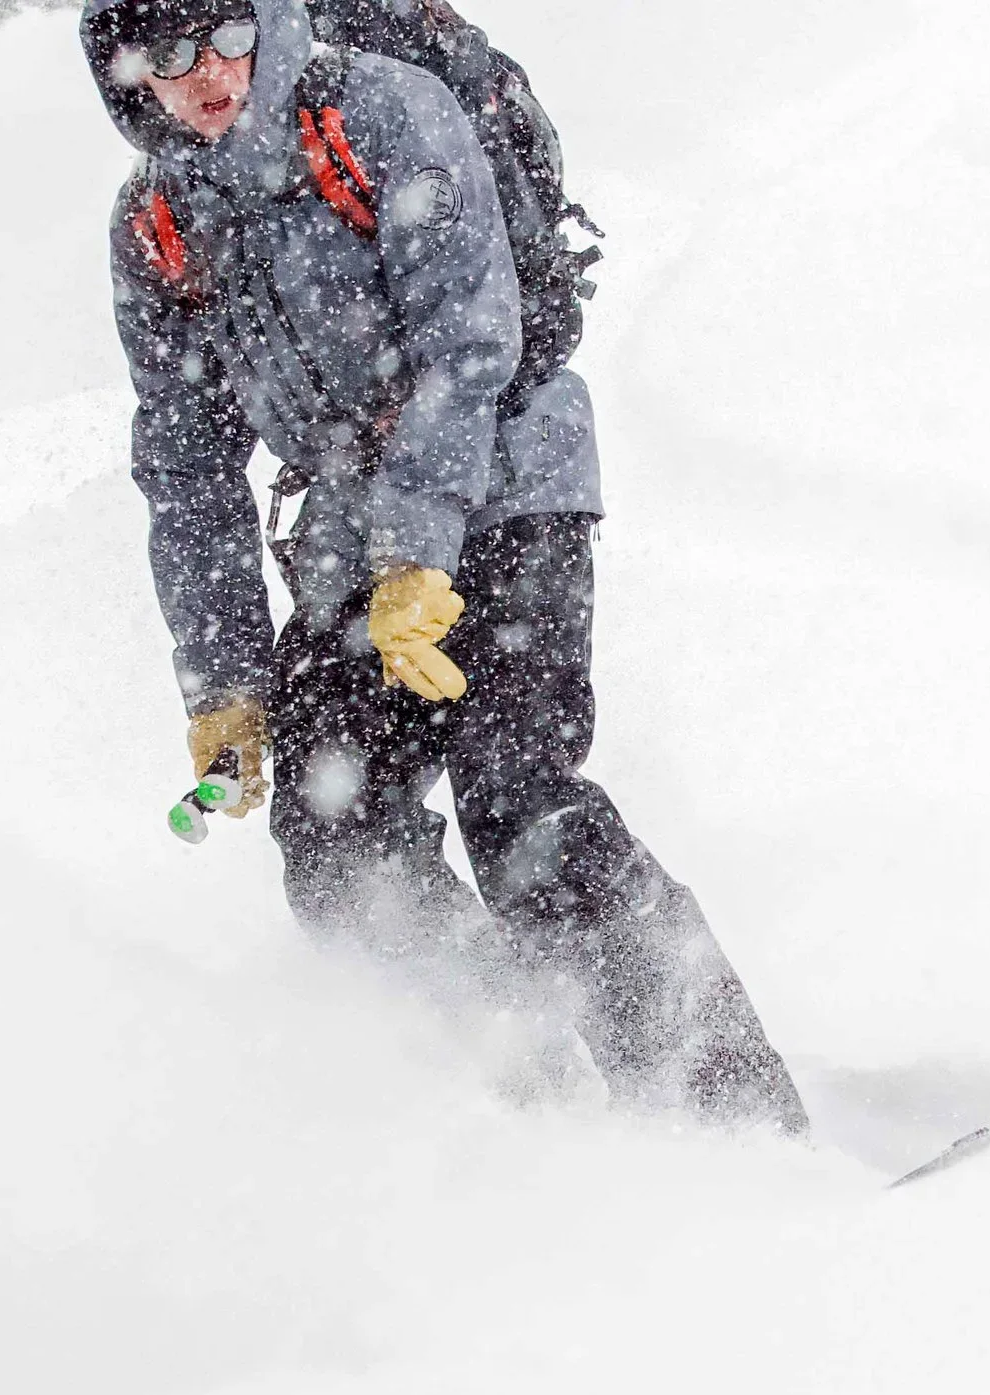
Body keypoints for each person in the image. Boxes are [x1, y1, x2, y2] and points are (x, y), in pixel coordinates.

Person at [80, 0, 807, 1132]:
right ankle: (535, 1095)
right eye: (168, 55)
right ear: (126, 73)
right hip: (349, 538)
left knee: (520, 810)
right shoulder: (157, 228)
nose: (206, 75)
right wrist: (222, 680)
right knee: (334, 844)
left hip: (510, 484)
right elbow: (188, 475)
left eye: (223, 36)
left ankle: (732, 1124)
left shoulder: (379, 114)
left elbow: (469, 346)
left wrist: (419, 554)